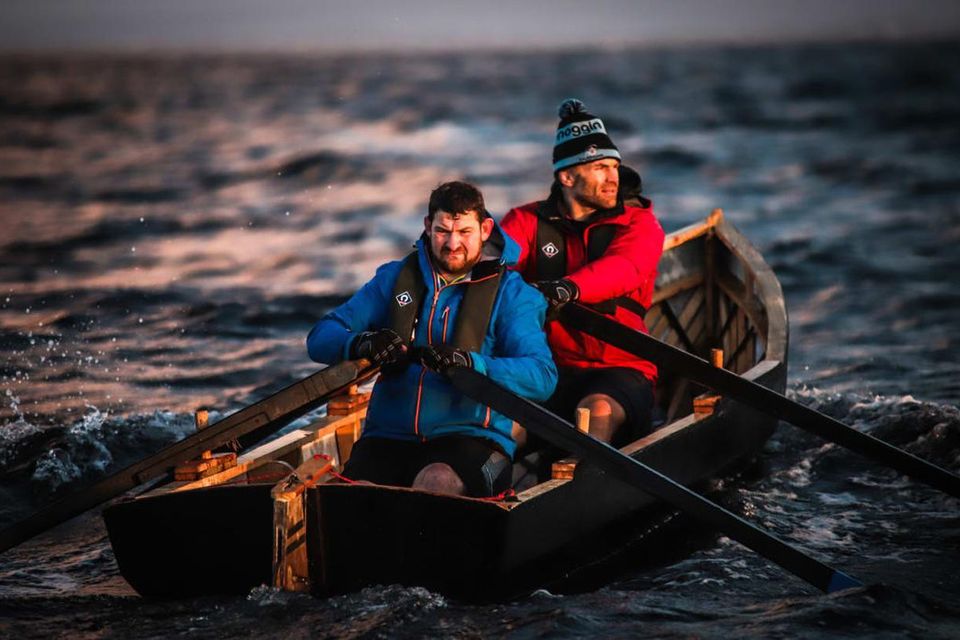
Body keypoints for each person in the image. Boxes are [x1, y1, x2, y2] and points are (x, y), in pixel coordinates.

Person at [307, 181, 557, 497]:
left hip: (472, 439)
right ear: (428, 227)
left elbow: (542, 377)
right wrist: (363, 343)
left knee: (435, 482)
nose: (453, 244)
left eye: (464, 232)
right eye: (442, 231)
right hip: (388, 436)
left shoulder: (514, 294)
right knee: (356, 496)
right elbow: (319, 337)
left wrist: (472, 363)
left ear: (485, 229)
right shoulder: (393, 278)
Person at [500, 99, 665, 448]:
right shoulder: (525, 221)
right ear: (567, 176)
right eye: (600, 168)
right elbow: (493, 270)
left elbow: (625, 268)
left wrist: (566, 289)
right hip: (546, 367)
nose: (613, 178)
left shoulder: (640, 224)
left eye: (614, 167)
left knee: (595, 411)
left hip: (622, 368)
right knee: (500, 422)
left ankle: (587, 487)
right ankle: (488, 493)